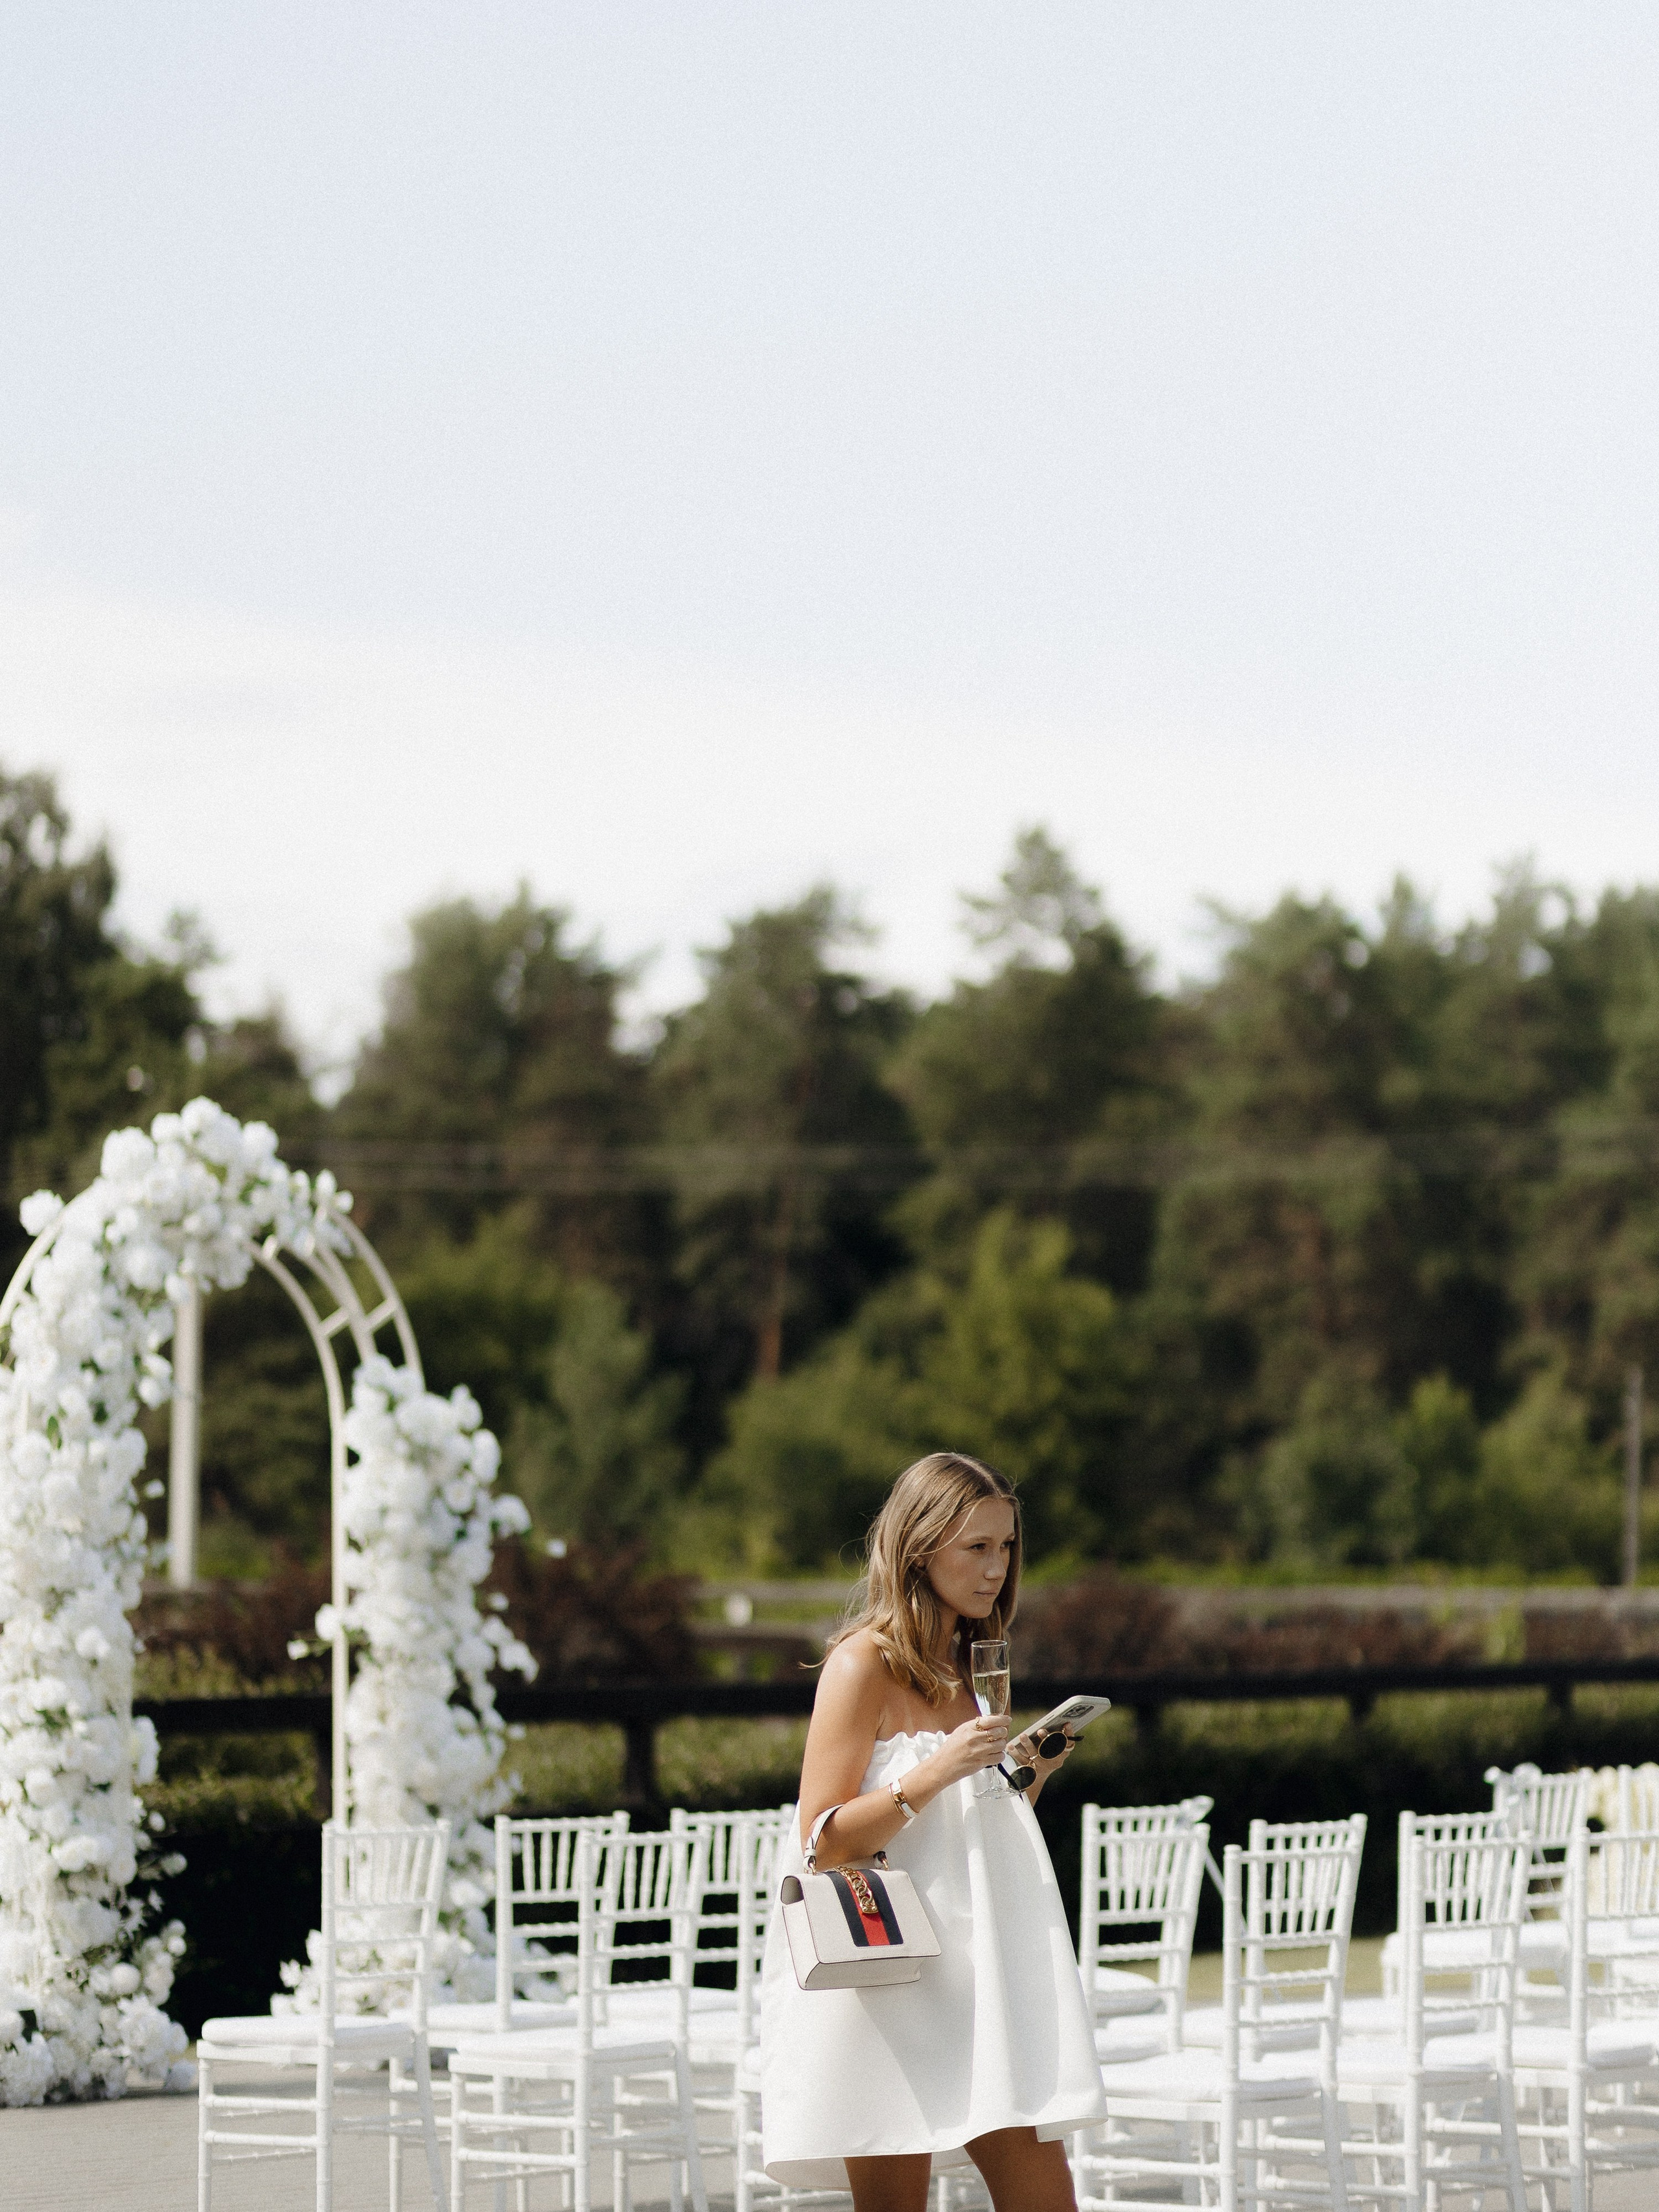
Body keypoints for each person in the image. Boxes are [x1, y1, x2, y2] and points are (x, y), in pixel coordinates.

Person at [760, 1450, 1108, 2212]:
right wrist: (936, 1768)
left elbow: (966, 1829)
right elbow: (822, 1839)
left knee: (1046, 2194)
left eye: (1005, 1544)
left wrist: (1026, 1774)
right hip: (891, 1972)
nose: (996, 1567)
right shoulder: (861, 1664)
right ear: (919, 1549)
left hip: (978, 1971)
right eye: (976, 1545)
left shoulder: (973, 1664)